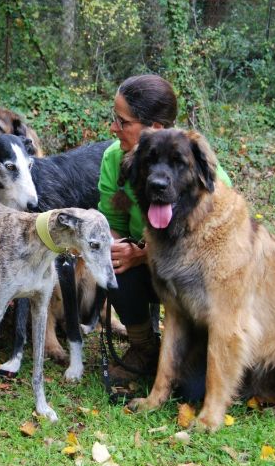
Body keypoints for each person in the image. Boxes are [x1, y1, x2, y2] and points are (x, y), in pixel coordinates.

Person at [96, 74, 231, 386]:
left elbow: (217, 244)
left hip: (195, 284)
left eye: (122, 121)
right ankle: (144, 346)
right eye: (113, 118)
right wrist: (119, 248)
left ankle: (199, 352)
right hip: (146, 269)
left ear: (155, 128)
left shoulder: (203, 167)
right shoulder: (114, 158)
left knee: (192, 389)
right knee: (112, 260)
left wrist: (144, 253)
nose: (113, 128)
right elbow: (111, 224)